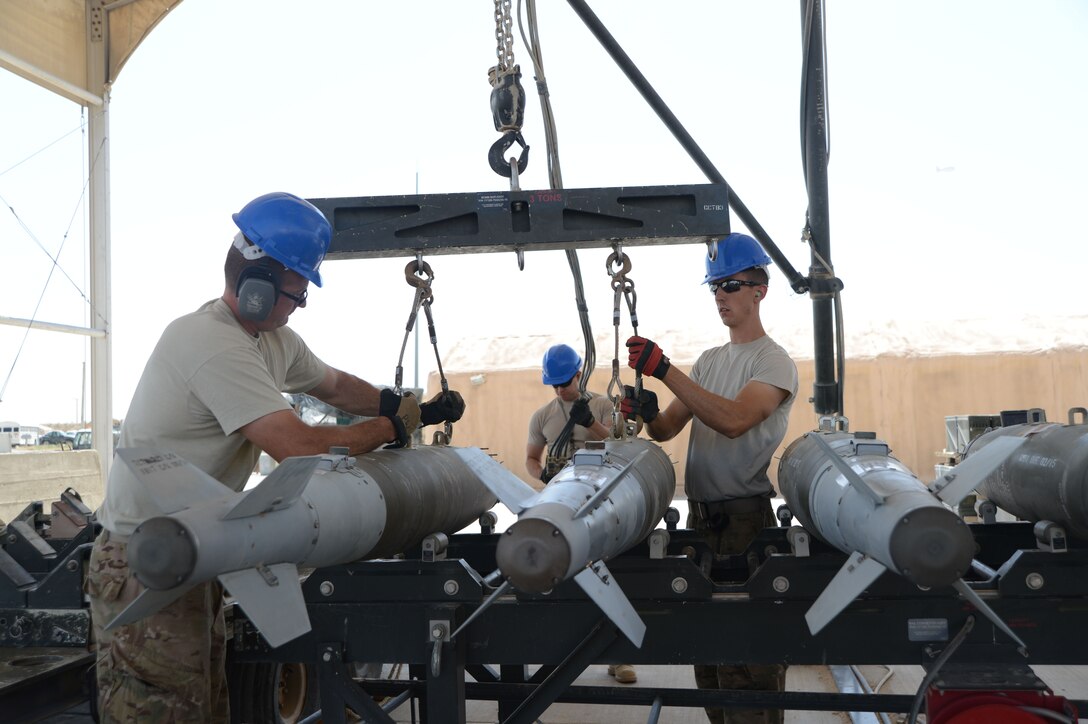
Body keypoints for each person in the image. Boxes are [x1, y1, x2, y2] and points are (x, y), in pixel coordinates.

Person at [85, 191, 465, 722]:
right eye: (297, 291)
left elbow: (333, 385)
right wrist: (389, 428)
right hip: (145, 558)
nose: (300, 303)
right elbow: (299, 447)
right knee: (161, 712)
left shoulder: (272, 340)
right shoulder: (210, 342)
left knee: (203, 707)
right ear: (258, 286)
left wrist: (404, 406)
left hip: (197, 552)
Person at [621, 233, 798, 724]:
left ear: (760, 290)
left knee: (750, 660)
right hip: (701, 526)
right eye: (714, 286)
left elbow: (736, 419)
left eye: (731, 285)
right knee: (711, 662)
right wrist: (648, 409)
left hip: (746, 526)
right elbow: (666, 429)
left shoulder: (773, 361)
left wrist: (663, 370)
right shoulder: (709, 361)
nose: (720, 294)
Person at [523, 343, 638, 685]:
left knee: (611, 574)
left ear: (579, 374)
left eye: (565, 382)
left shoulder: (603, 405)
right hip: (561, 497)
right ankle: (558, 655)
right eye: (555, 384)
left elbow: (621, 443)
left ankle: (618, 657)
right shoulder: (542, 416)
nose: (560, 389)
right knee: (555, 570)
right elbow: (532, 458)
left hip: (600, 500)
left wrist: (591, 423)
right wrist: (542, 475)